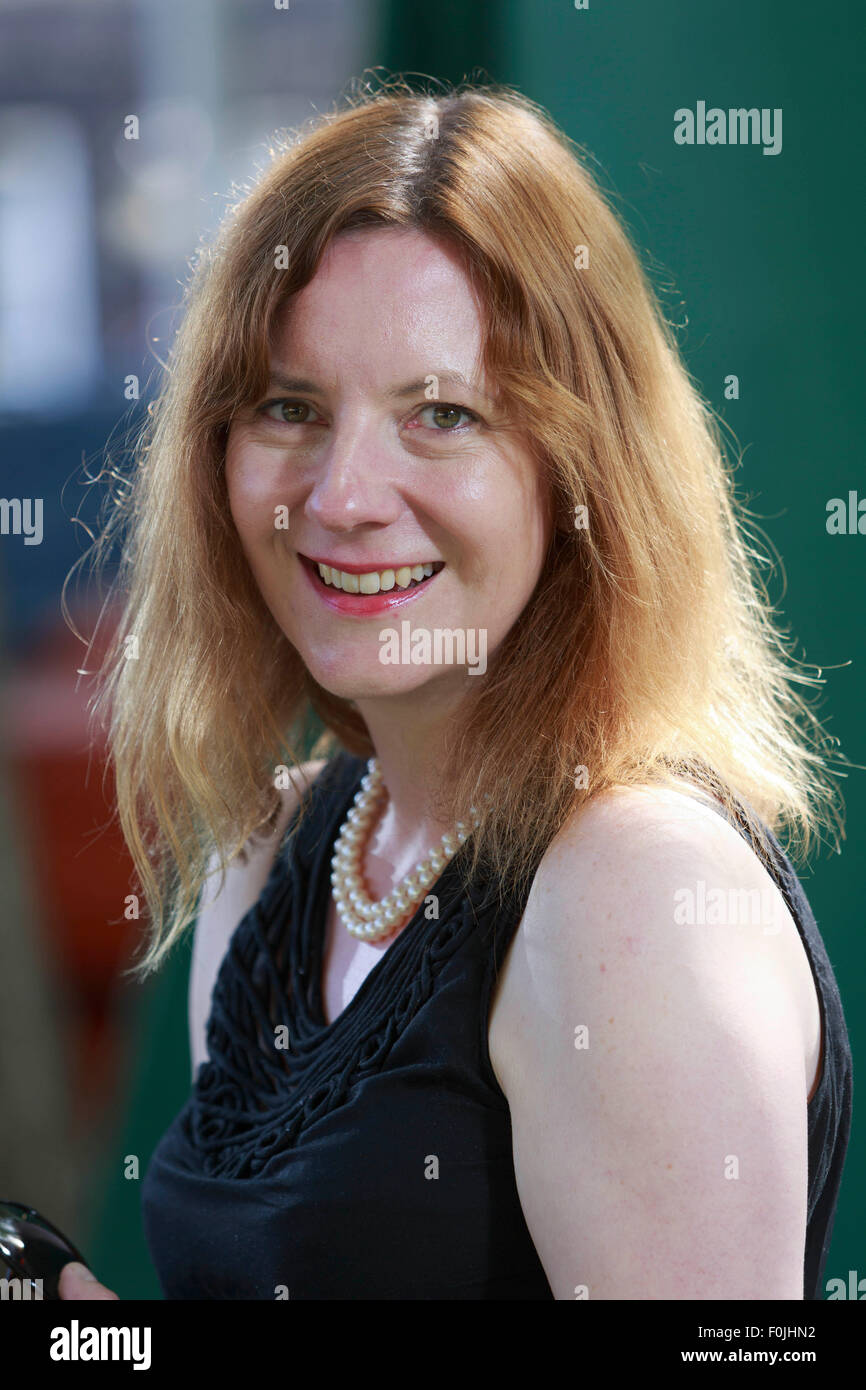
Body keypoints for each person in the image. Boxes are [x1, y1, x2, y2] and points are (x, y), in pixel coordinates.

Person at [60, 78, 852, 1301]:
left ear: (582, 465)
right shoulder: (280, 844)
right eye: (288, 407)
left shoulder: (632, 891)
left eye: (440, 414)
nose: (342, 495)